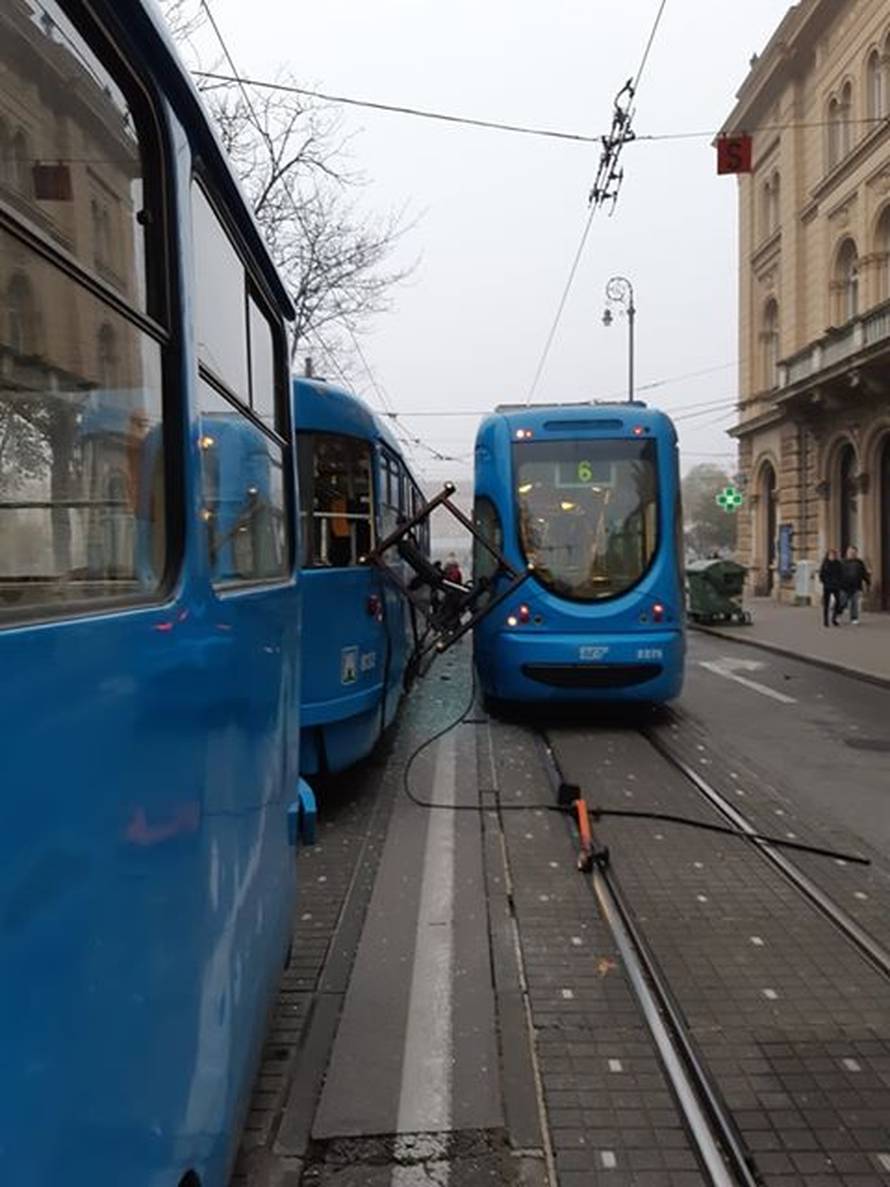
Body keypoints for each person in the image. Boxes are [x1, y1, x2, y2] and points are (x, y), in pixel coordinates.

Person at [841, 545, 870, 624]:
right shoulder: (842, 562)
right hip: (844, 586)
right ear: (847, 553)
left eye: (854, 552)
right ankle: (838, 613)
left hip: (856, 586)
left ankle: (854, 618)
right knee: (842, 601)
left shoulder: (859, 562)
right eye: (850, 552)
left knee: (854, 602)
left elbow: (864, 573)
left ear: (856, 553)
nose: (852, 554)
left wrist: (867, 582)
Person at [819, 548, 844, 626]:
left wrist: (840, 582)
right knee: (826, 604)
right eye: (831, 555)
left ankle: (834, 618)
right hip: (827, 586)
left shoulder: (838, 564)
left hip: (836, 586)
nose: (832, 556)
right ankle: (825, 620)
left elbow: (841, 573)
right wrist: (825, 581)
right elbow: (821, 574)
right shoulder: (825, 564)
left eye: (834, 555)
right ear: (828, 556)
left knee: (838, 603)